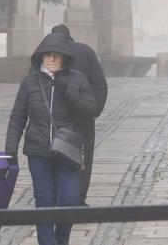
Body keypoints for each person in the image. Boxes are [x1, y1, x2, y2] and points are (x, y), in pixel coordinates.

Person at [5, 33, 97, 245]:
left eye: (56, 55)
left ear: (64, 58)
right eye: (48, 55)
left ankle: (62, 240)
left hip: (68, 152)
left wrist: (69, 91)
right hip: (39, 152)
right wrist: (11, 147)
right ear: (41, 57)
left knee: (69, 200)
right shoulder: (30, 82)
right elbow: (17, 117)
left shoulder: (78, 79)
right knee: (44, 202)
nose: (52, 59)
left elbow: (90, 110)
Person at [51, 24, 108, 206]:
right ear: (70, 36)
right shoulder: (86, 52)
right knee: (84, 154)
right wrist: (94, 110)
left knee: (56, 152)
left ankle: (59, 194)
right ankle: (78, 197)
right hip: (83, 114)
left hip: (56, 116)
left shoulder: (47, 55)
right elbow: (100, 85)